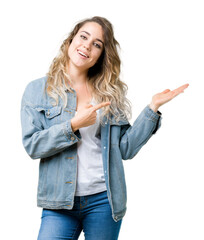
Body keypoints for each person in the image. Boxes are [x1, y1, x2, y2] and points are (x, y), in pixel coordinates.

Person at [21, 16, 189, 240]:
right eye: (83, 37)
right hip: (59, 202)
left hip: (104, 200)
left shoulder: (109, 93)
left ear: (101, 55)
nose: (87, 46)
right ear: (71, 40)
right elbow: (33, 145)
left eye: (97, 44)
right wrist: (73, 125)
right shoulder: (37, 90)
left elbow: (125, 149)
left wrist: (153, 108)